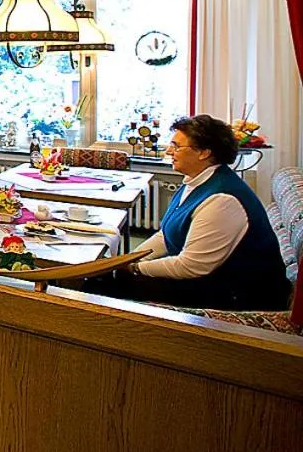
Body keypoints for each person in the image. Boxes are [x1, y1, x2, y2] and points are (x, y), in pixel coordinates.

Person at [87, 115, 290, 311]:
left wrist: (134, 268)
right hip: (208, 280)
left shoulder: (222, 199)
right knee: (105, 278)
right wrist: (129, 260)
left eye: (176, 146)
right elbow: (166, 236)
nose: (169, 151)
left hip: (235, 295)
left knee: (102, 287)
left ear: (204, 152)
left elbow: (191, 266)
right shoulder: (195, 181)